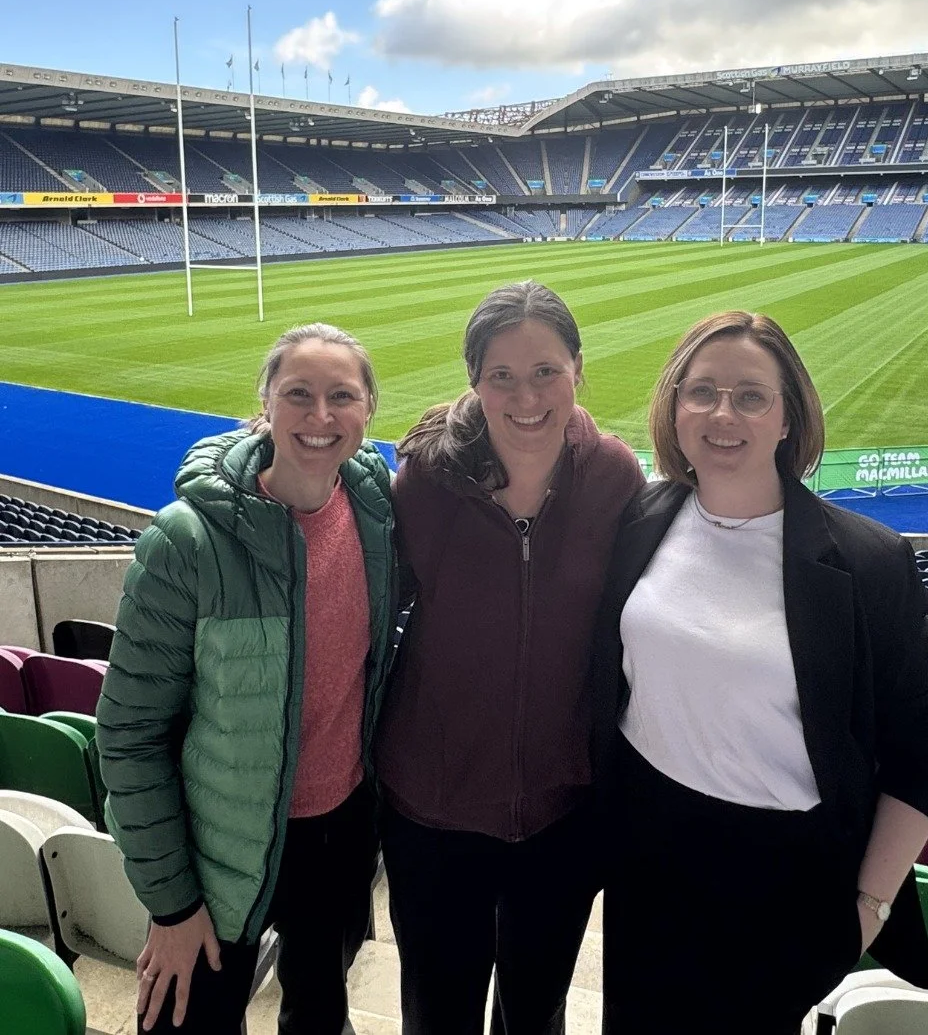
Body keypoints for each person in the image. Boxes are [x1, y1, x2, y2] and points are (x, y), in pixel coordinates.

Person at [592, 311, 928, 1034]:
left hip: (782, 880)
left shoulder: (869, 561)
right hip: (647, 858)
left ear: (789, 416)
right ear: (674, 405)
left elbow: (922, 756)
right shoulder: (642, 516)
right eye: (702, 392)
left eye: (751, 396)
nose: (722, 414)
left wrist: (866, 912)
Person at [96, 322, 399, 1034]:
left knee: (321, 1010)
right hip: (219, 851)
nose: (320, 417)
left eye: (341, 396)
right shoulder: (185, 541)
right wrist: (171, 905)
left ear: (368, 411)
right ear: (265, 404)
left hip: (341, 830)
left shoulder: (375, 510)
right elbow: (130, 735)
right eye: (299, 394)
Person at [376, 281, 645, 1035]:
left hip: (563, 816)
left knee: (535, 1016)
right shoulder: (425, 479)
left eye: (545, 372)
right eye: (502, 376)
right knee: (437, 1014)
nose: (526, 396)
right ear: (475, 382)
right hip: (431, 813)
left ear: (579, 370)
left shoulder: (616, 477)